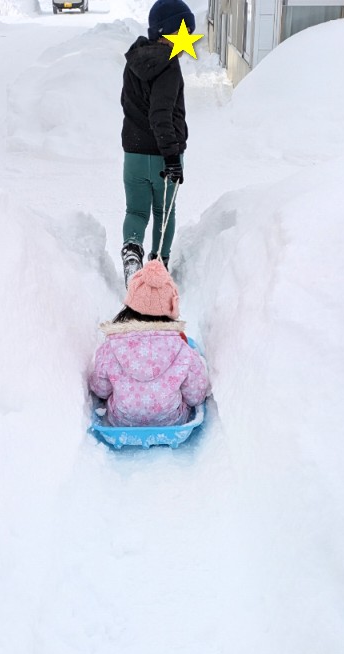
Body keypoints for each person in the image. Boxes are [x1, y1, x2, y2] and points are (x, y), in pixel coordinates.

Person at [119, 0, 195, 285]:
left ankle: (132, 253)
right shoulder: (169, 65)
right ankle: (158, 267)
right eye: (185, 32)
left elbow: (128, 103)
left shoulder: (134, 60)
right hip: (164, 154)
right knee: (164, 212)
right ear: (172, 31)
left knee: (136, 211)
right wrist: (172, 156)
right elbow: (160, 114)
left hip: (134, 153)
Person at [90, 260, 208, 427]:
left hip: (122, 421)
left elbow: (100, 390)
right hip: (171, 421)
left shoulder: (111, 347)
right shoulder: (183, 350)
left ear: (129, 308)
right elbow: (195, 396)